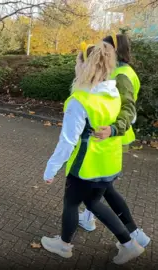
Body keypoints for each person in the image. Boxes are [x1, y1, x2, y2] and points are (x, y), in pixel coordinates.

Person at [41, 40, 145, 265]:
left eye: (78, 62)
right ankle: (129, 244)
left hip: (85, 166)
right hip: (109, 162)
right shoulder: (114, 94)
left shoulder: (79, 100)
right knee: (94, 203)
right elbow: (129, 117)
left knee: (71, 203)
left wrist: (50, 169)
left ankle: (64, 245)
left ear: (84, 65)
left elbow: (67, 142)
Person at [77, 34, 150, 250]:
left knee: (103, 187)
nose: (102, 51)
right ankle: (90, 219)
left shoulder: (122, 74)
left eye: (105, 47)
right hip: (108, 136)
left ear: (115, 50)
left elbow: (129, 110)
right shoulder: (120, 71)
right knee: (101, 186)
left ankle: (134, 235)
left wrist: (113, 129)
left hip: (111, 136)